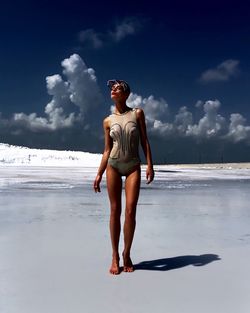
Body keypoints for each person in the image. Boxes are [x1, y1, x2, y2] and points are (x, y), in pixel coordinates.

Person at [93, 79, 154, 275]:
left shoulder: (137, 113)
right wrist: (99, 173)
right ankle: (114, 255)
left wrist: (150, 165)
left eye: (117, 88)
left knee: (130, 211)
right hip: (113, 165)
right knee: (114, 211)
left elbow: (144, 140)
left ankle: (126, 253)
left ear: (126, 94)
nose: (113, 90)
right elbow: (106, 150)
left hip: (133, 166)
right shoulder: (107, 120)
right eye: (112, 88)